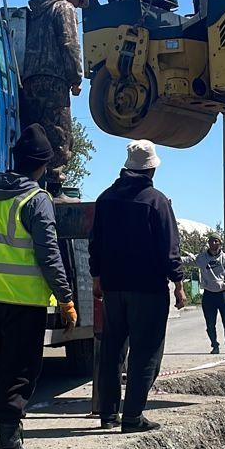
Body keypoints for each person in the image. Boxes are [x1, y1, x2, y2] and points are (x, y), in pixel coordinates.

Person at [0, 124, 77, 449]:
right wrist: (66, 299)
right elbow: (49, 255)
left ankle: (9, 440)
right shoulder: (35, 200)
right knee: (20, 372)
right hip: (23, 302)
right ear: (42, 165)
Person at [89, 139, 186, 432]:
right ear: (152, 170)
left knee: (112, 350)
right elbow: (170, 249)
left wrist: (97, 278)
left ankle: (108, 415)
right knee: (145, 353)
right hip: (148, 290)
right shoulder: (156, 201)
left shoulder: (106, 198)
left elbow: (96, 244)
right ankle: (132, 417)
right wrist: (179, 285)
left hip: (114, 288)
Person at [21, 0, 89, 195]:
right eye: (80, 0)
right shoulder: (64, 8)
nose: (78, 6)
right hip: (54, 81)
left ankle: (29, 183)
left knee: (33, 133)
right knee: (60, 134)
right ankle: (55, 186)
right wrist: (76, 78)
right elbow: (70, 44)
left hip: (29, 80)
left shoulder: (36, 11)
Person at [186, 233, 225, 354]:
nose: (213, 244)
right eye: (211, 241)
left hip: (223, 294)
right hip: (209, 294)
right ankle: (215, 345)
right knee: (210, 323)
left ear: (220, 243)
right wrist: (172, 256)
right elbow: (187, 260)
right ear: (208, 243)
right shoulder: (202, 258)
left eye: (216, 241)